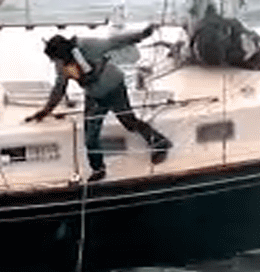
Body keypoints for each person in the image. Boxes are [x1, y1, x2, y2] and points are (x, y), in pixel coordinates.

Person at [27, 27, 172, 183]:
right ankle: (98, 169)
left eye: (56, 59)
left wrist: (141, 35)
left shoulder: (88, 45)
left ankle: (160, 142)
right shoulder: (62, 65)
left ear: (64, 53)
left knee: (129, 122)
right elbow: (59, 88)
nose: (55, 63)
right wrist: (46, 110)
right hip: (94, 96)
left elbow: (114, 42)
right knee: (91, 137)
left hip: (115, 87)